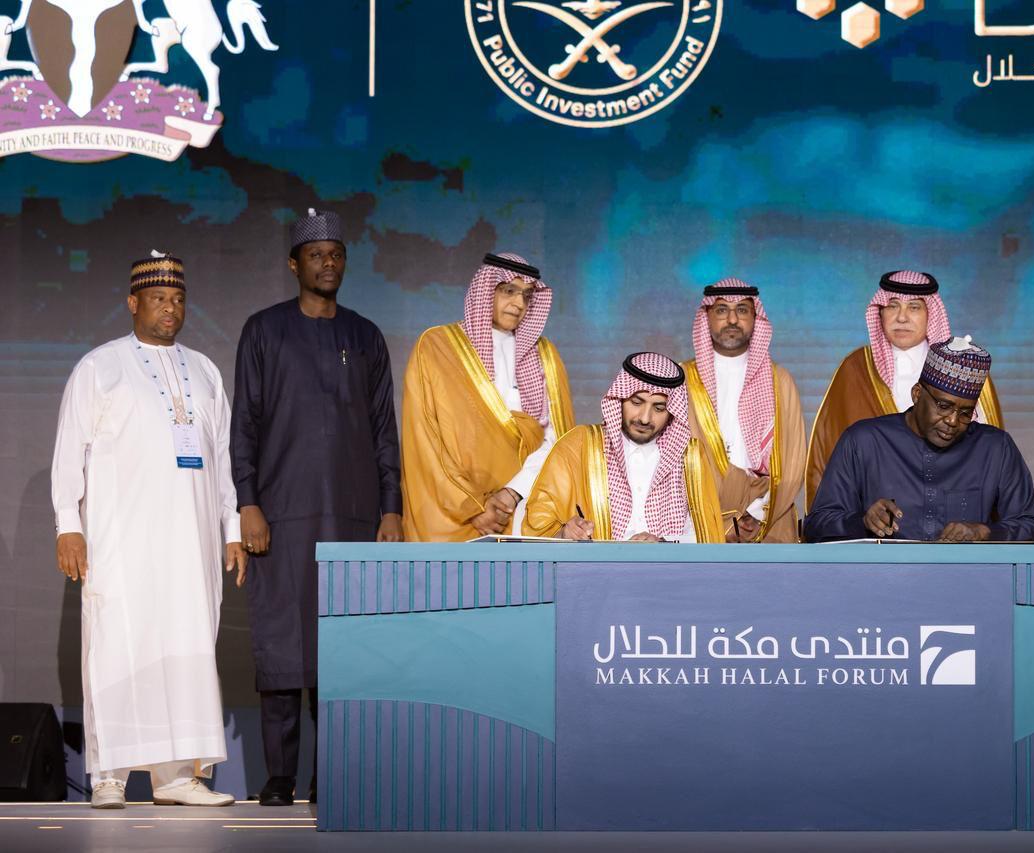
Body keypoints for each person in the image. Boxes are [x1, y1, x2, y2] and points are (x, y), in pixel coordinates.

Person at [51, 252, 244, 809]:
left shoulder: (204, 371)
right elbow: (69, 451)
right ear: (133, 302)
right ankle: (109, 775)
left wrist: (231, 526)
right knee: (118, 646)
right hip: (120, 539)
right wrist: (68, 525)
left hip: (192, 541)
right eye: (159, 299)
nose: (170, 309)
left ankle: (177, 776)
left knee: (187, 646)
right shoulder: (100, 367)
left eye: (178, 299)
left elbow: (223, 458)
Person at [231, 209, 403, 807]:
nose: (327, 264)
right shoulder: (264, 330)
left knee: (342, 650)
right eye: (315, 255)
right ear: (294, 264)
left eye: (336, 254)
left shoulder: (365, 335)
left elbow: (384, 430)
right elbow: (245, 423)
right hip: (280, 515)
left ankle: (331, 774)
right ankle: (279, 777)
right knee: (284, 645)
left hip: (354, 517)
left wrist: (391, 508)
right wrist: (247, 502)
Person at [804, 336, 1034, 543]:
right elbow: (816, 526)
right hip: (882, 580)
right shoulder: (863, 441)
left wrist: (983, 532)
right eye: (943, 406)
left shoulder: (995, 448)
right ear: (917, 394)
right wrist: (862, 522)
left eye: (965, 413)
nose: (953, 421)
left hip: (967, 580)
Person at [400, 252, 574, 540]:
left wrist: (511, 493)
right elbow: (426, 440)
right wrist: (473, 506)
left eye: (526, 295)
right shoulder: (437, 346)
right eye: (509, 291)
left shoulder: (545, 356)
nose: (519, 304)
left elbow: (557, 442)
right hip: (450, 511)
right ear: (486, 290)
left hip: (521, 509)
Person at [806, 270, 1004, 507]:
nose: (902, 318)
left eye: (914, 307)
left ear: (931, 313)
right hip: (874, 512)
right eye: (892, 306)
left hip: (950, 507)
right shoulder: (855, 367)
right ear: (880, 312)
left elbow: (987, 452)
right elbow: (827, 450)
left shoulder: (963, 367)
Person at [523, 352, 724, 542]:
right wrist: (564, 533)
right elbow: (538, 523)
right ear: (620, 399)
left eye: (659, 408)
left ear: (672, 411)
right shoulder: (579, 445)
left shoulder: (690, 456)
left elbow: (706, 535)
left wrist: (663, 544)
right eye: (636, 402)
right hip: (592, 565)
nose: (645, 418)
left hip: (667, 566)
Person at [681, 278, 805, 542]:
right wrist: (718, 520)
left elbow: (793, 461)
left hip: (767, 517)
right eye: (722, 310)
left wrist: (758, 514)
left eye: (742, 310)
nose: (732, 320)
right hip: (696, 517)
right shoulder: (681, 379)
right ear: (707, 317)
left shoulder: (780, 381)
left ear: (755, 317)